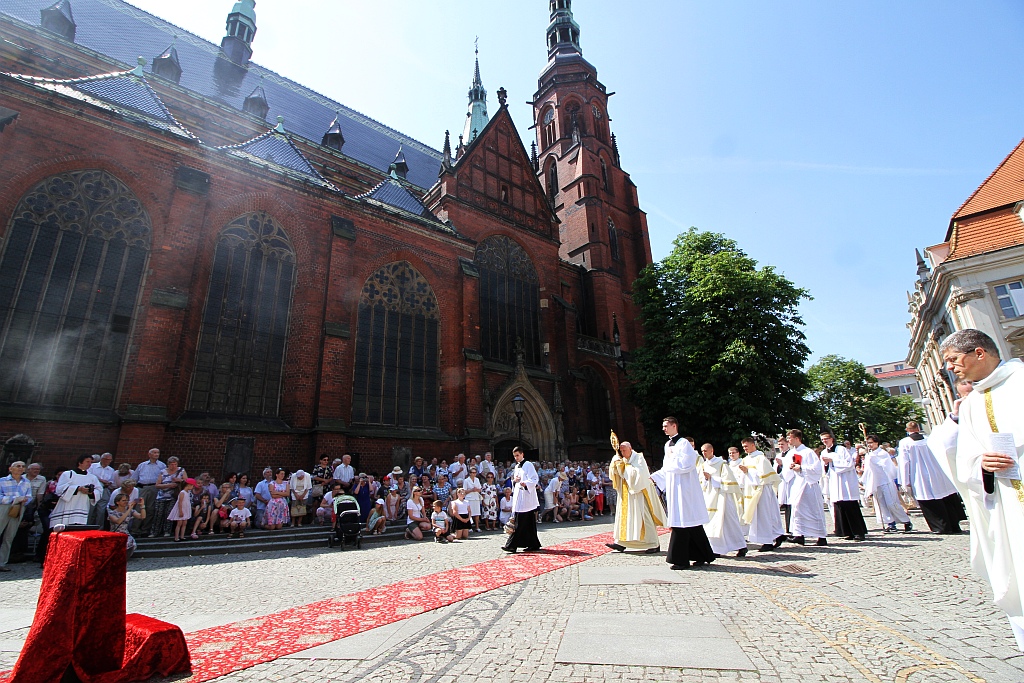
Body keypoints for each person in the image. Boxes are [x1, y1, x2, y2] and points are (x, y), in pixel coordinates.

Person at [934, 329, 1024, 649]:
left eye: (954, 360)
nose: (951, 368)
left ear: (979, 353)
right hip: (1007, 505)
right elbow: (966, 464)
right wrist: (983, 466)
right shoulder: (971, 404)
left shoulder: (1021, 380)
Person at [649, 417, 715, 570]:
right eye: (663, 426)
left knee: (683, 521)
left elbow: (686, 464)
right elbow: (667, 467)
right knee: (690, 523)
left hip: (685, 488)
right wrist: (656, 476)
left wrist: (667, 468)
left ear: (674, 426)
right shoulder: (667, 444)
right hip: (674, 486)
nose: (663, 428)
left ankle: (680, 560)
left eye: (666, 426)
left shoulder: (684, 443)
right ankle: (703, 555)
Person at [898, 421, 964, 534]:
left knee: (930, 500)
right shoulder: (929, 438)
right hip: (938, 471)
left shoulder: (905, 443)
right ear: (918, 428)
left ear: (907, 430)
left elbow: (904, 462)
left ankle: (940, 527)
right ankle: (954, 525)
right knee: (946, 498)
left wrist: (905, 481)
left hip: (919, 474)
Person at [606, 440, 664, 554]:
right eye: (621, 450)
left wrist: (623, 466)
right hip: (626, 494)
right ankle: (621, 543)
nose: (623, 453)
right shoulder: (622, 459)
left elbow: (639, 475)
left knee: (644, 518)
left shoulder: (639, 458)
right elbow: (615, 475)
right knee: (624, 518)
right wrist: (615, 465)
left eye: (624, 450)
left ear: (630, 448)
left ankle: (654, 544)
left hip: (639, 495)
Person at [698, 443, 748, 558]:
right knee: (713, 524)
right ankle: (717, 548)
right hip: (710, 497)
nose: (704, 453)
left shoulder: (721, 464)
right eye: (702, 451)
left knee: (730, 523)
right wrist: (706, 479)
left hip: (722, 497)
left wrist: (712, 478)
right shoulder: (704, 465)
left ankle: (741, 546)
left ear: (711, 451)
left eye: (705, 451)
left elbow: (729, 480)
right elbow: (702, 482)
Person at [738, 437, 786, 551]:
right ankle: (778, 535)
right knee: (758, 516)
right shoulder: (745, 459)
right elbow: (743, 477)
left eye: (746, 446)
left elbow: (763, 476)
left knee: (764, 515)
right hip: (751, 491)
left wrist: (748, 471)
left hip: (762, 490)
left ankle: (767, 542)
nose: (745, 449)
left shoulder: (761, 458)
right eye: (743, 447)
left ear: (753, 445)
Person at [820, 431, 867, 541]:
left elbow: (849, 463)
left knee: (850, 505)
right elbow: (824, 469)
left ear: (832, 439)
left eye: (826, 438)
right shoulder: (823, 452)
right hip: (834, 481)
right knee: (839, 505)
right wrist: (826, 464)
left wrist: (833, 460)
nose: (824, 441)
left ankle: (858, 532)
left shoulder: (841, 449)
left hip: (845, 481)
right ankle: (846, 531)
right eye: (822, 440)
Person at [784, 429, 828, 546]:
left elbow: (817, 469)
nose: (788, 440)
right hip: (798, 483)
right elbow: (786, 470)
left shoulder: (808, 452)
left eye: (790, 438)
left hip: (809, 484)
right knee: (797, 509)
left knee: (813, 509)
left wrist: (802, 468)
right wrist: (790, 467)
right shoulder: (791, 453)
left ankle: (821, 536)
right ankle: (799, 535)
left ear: (797, 438)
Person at [862, 435, 912, 533]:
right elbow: (868, 469)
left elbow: (884, 466)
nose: (870, 445)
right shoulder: (869, 455)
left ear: (876, 442)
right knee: (882, 505)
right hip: (876, 482)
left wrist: (873, 459)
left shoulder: (882, 453)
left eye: (871, 443)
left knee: (891, 503)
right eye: (868, 443)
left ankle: (906, 521)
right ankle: (891, 523)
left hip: (886, 481)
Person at [502, 447, 541, 553]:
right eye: (514, 456)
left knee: (520, 522)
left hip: (526, 498)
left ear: (522, 454)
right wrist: (515, 481)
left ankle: (511, 545)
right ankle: (533, 543)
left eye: (517, 455)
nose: (516, 458)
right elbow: (515, 481)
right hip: (519, 497)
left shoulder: (528, 465)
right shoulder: (517, 467)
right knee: (529, 523)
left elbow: (534, 479)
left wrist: (526, 483)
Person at [50, 454, 102, 531]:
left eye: (91, 462)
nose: (89, 464)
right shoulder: (68, 474)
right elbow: (60, 489)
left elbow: (99, 491)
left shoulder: (92, 477)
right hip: (67, 505)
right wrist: (78, 489)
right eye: (87, 461)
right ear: (80, 463)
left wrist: (90, 492)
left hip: (82, 506)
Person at [0, 461, 32, 572]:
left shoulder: (26, 482)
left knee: (9, 537)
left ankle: (2, 562)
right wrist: (14, 499)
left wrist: (25, 500)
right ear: (11, 469)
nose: (20, 468)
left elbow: (29, 496)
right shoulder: (2, 481)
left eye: (23, 466)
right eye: (18, 466)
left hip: (19, 508)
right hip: (3, 508)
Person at [132, 448, 165, 536]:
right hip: (141, 488)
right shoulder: (142, 465)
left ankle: (145, 529)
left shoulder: (162, 466)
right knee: (138, 508)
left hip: (154, 488)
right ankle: (135, 529)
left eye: (158, 452)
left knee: (150, 509)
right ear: (149, 454)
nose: (156, 454)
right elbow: (134, 477)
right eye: (154, 452)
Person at [152, 456, 186, 538]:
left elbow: (186, 482)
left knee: (169, 513)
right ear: (168, 465)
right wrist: (168, 485)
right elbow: (157, 485)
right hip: (161, 496)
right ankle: (154, 532)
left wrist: (179, 480)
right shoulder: (163, 472)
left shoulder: (181, 471)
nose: (173, 466)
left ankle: (167, 531)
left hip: (173, 496)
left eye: (175, 464)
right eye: (171, 464)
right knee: (158, 514)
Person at [107, 492, 145, 558]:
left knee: (131, 543)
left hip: (125, 533)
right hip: (115, 534)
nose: (126, 502)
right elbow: (118, 521)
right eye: (123, 500)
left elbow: (142, 517)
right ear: (117, 502)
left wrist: (142, 506)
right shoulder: (112, 513)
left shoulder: (130, 511)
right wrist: (129, 509)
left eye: (127, 500)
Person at [87, 453, 116, 526]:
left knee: (101, 511)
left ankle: (99, 528)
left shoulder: (111, 470)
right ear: (102, 459)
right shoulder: (93, 466)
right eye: (106, 459)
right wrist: (101, 480)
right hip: (93, 490)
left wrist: (108, 483)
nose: (108, 461)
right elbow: (89, 476)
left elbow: (112, 481)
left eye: (109, 460)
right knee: (91, 510)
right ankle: (87, 526)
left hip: (104, 490)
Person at [167, 478, 196, 542]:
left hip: (186, 509)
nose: (193, 487)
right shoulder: (182, 492)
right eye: (192, 485)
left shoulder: (188, 492)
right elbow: (180, 502)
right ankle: (176, 537)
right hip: (182, 509)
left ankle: (182, 536)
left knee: (184, 523)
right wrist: (180, 511)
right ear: (188, 485)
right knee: (179, 524)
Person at [463, 467, 483, 531]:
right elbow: (464, 491)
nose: (474, 474)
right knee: (469, 513)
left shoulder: (477, 479)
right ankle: (469, 527)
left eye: (475, 472)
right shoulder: (466, 480)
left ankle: (477, 527)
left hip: (476, 498)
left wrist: (476, 489)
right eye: (472, 472)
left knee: (477, 513)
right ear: (470, 473)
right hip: (469, 498)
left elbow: (480, 489)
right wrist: (471, 490)